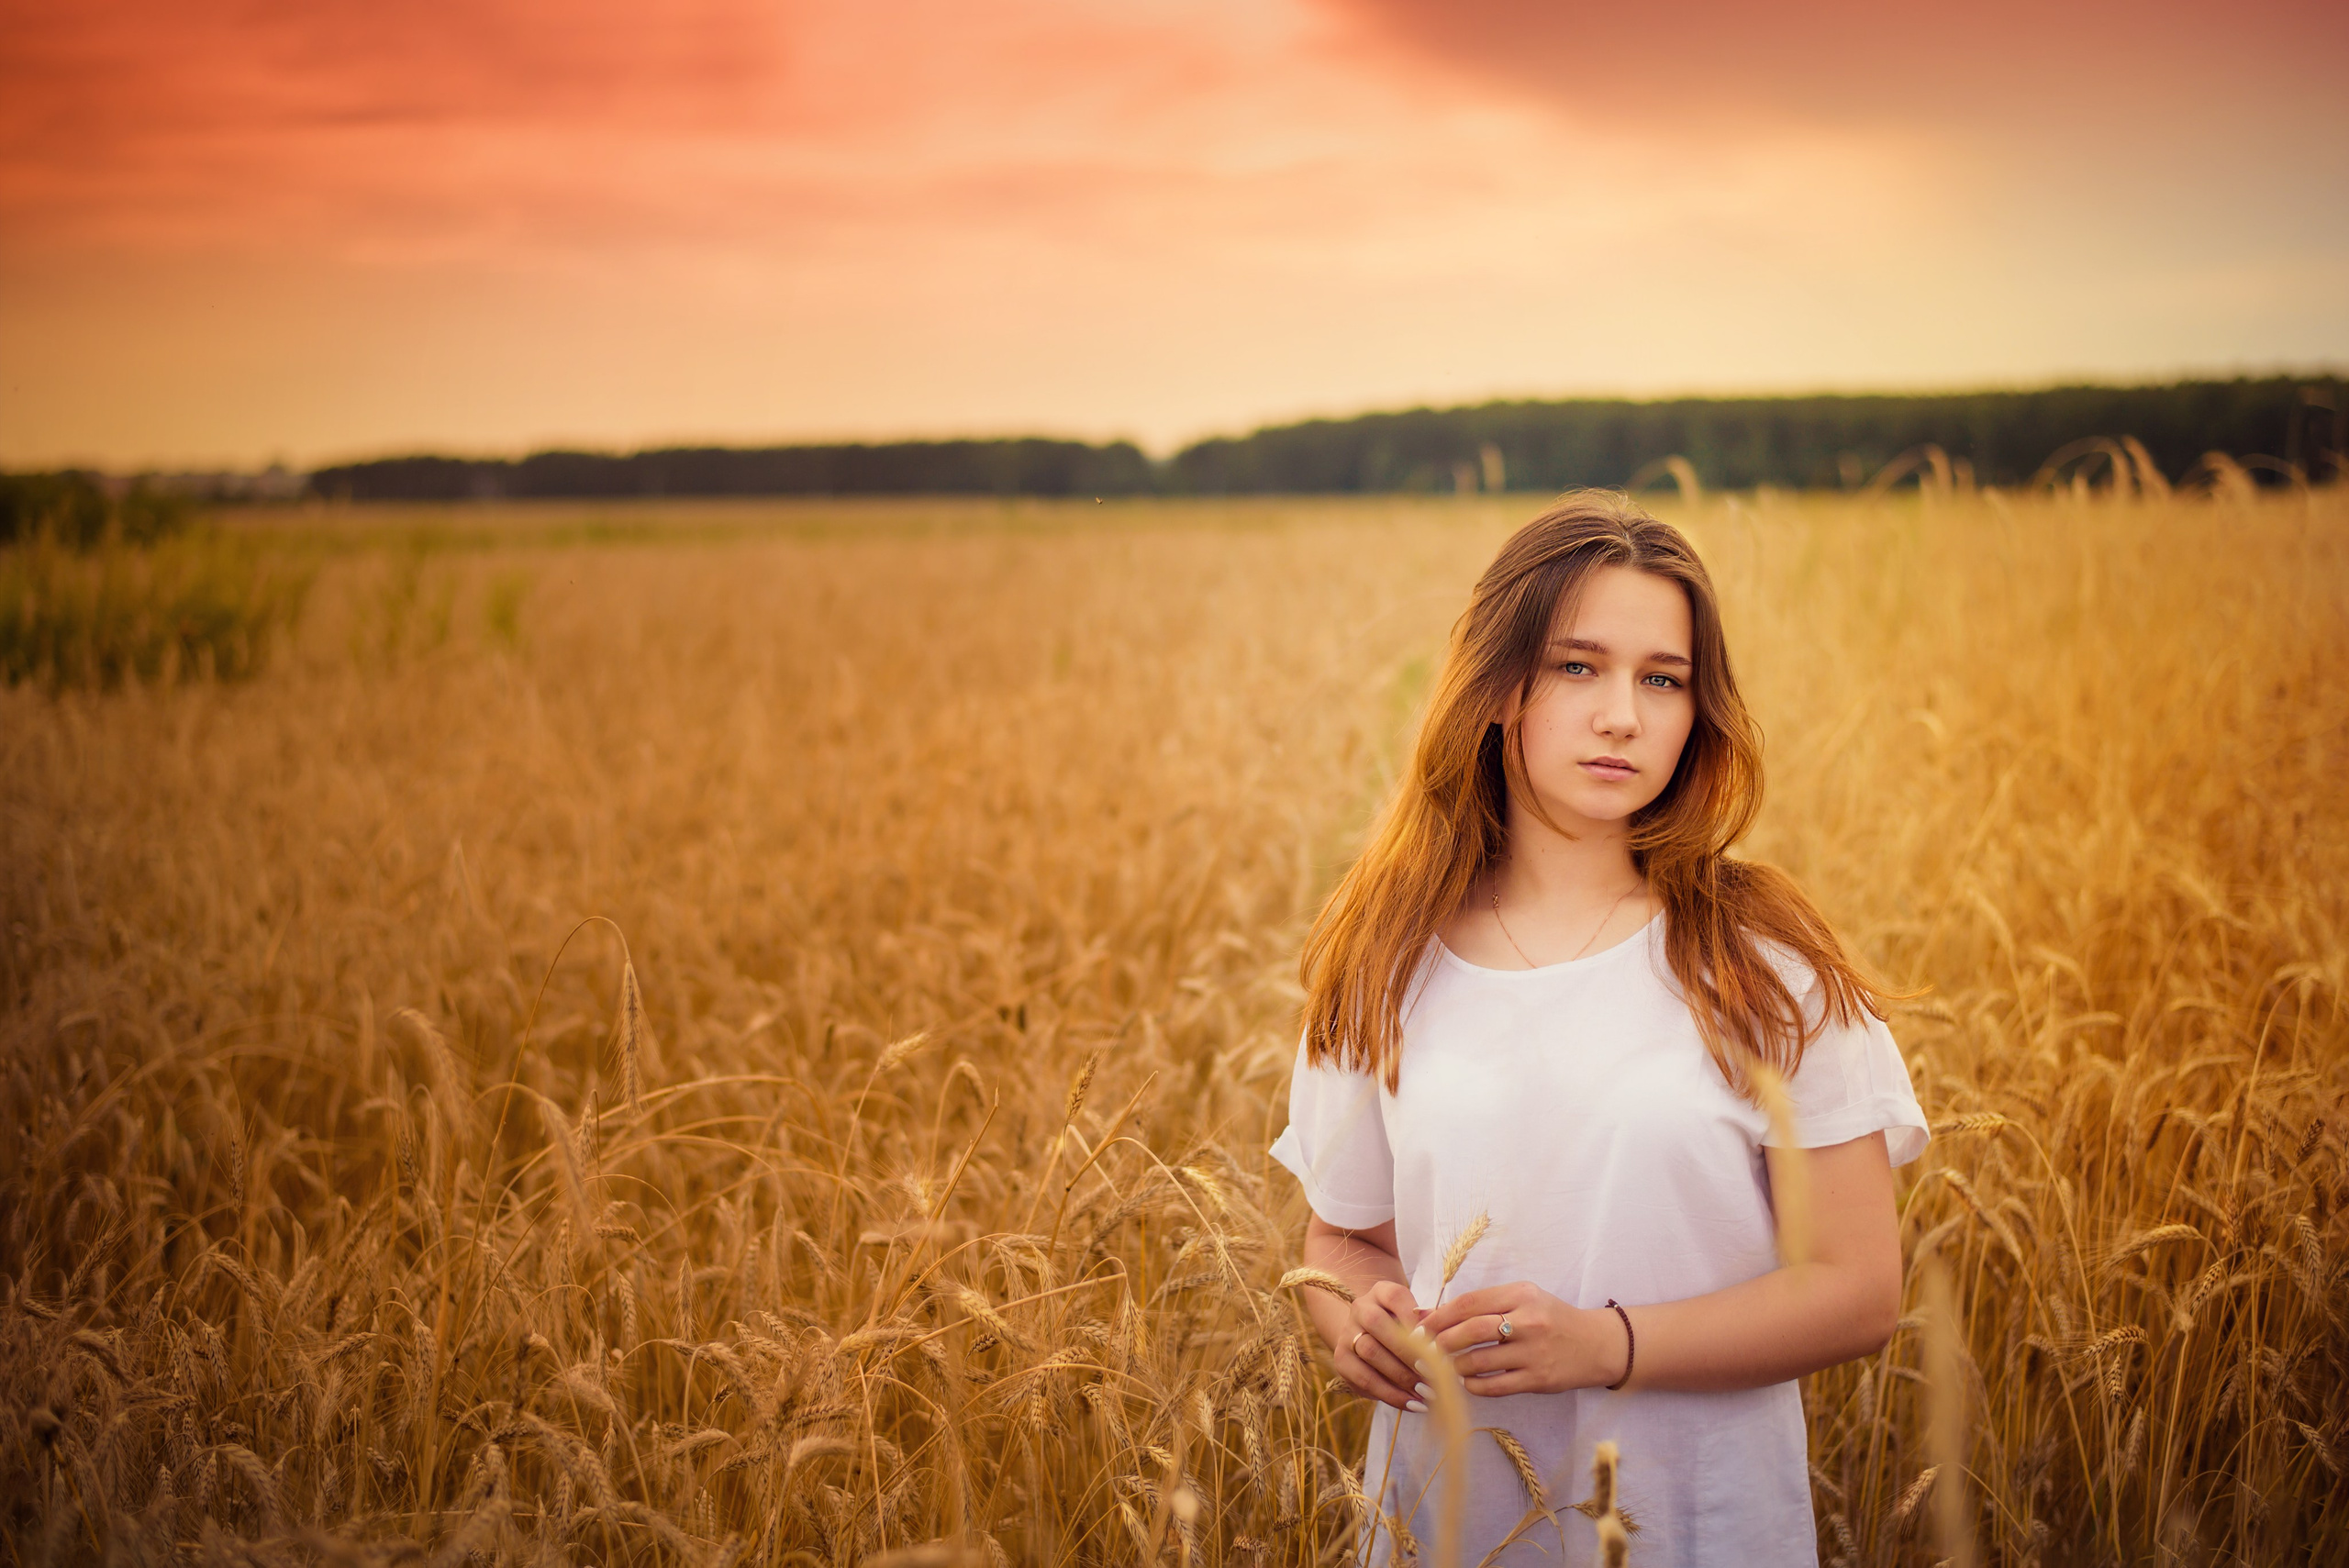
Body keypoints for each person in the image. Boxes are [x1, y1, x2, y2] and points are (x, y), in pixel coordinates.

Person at [1269, 492, 1929, 1565]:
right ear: (1496, 689)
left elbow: (1857, 1289)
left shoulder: (1761, 963)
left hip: (1693, 1524)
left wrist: (1603, 1344)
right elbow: (1345, 1232)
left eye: (1661, 678)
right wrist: (1351, 1317)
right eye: (1579, 666)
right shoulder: (1385, 957)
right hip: (1450, 1520)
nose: (1623, 712)